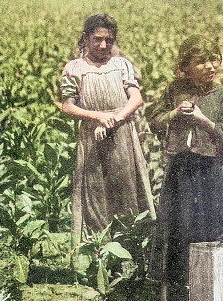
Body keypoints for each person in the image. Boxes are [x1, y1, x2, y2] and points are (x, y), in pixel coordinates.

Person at [146, 35, 223, 301]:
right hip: (181, 172)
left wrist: (202, 120)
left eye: (214, 60)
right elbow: (153, 120)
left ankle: (210, 298)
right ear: (186, 66)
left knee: (210, 229)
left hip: (210, 172)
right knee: (177, 230)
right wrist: (174, 113)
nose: (210, 66)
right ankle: (177, 299)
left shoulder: (222, 95)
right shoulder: (176, 90)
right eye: (201, 61)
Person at [60, 14, 155, 236]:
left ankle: (129, 250)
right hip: (92, 137)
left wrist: (114, 119)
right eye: (97, 39)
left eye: (109, 40)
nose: (103, 45)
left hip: (122, 135)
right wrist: (97, 117)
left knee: (126, 189)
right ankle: (100, 253)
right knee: (95, 192)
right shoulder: (75, 68)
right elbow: (68, 106)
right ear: (86, 39)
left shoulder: (121, 65)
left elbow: (136, 98)